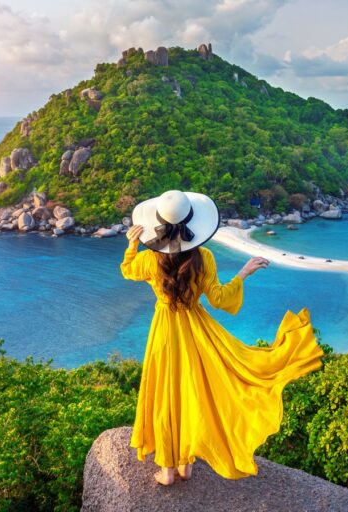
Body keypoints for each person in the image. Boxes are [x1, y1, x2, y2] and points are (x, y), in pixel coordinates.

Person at [120, 189, 325, 486]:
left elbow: (127, 270)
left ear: (158, 223)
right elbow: (218, 299)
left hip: (164, 332)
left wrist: (130, 244)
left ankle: (167, 469)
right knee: (194, 392)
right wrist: (243, 273)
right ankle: (186, 464)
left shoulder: (151, 261)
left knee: (167, 394)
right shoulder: (204, 257)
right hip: (197, 331)